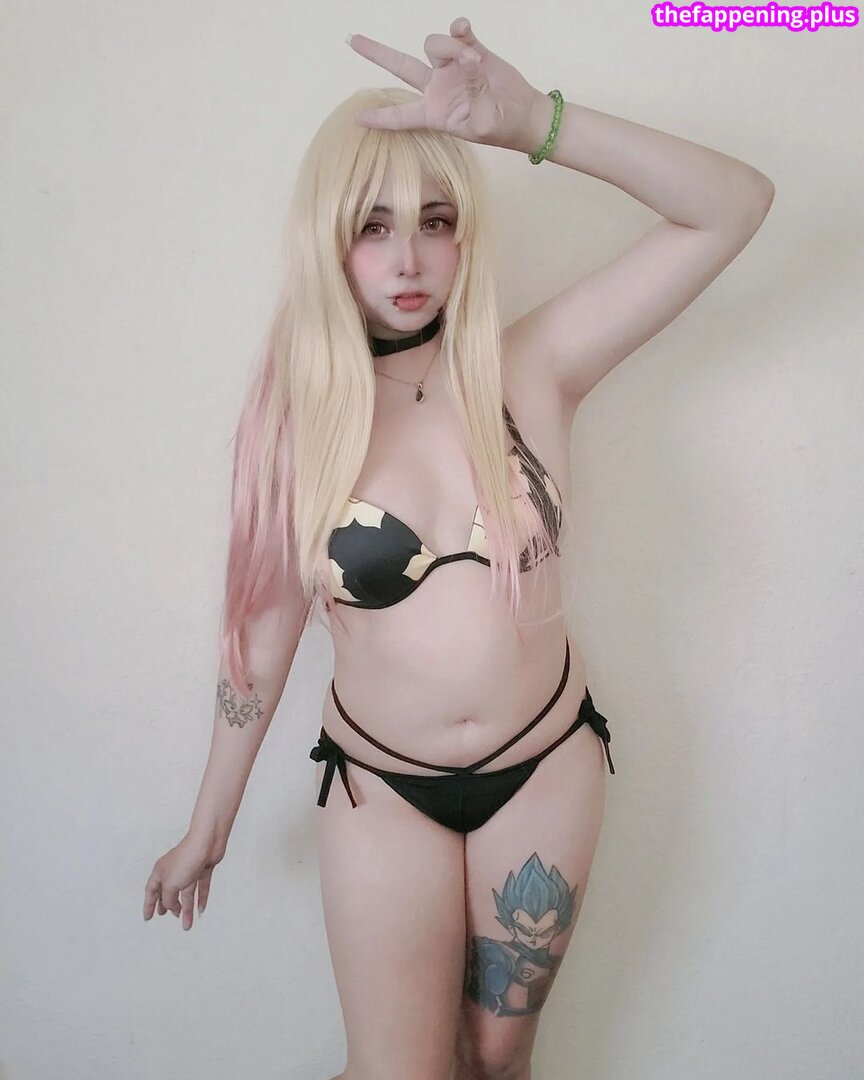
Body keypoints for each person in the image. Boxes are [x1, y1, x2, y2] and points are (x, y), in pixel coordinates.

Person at [143, 16, 774, 1080]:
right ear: (327, 239)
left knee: (497, 1060)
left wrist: (533, 123)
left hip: (546, 765)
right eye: (372, 226)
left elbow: (733, 204)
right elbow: (260, 642)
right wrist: (211, 823)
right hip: (381, 787)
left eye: (435, 222)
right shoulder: (299, 423)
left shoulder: (533, 365)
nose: (408, 258)